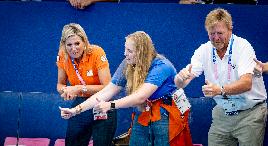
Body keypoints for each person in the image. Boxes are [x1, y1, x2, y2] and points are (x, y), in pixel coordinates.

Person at [60, 31, 193, 146]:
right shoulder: (128, 63)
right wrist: (75, 110)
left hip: (167, 112)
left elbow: (140, 97)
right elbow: (107, 91)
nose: (125, 54)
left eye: (129, 51)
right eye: (125, 49)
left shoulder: (161, 66)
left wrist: (110, 105)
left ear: (141, 52)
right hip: (144, 110)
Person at [174, 8, 267, 146]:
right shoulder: (203, 50)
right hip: (223, 114)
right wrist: (180, 78)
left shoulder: (243, 47)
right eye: (212, 34)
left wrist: (220, 90)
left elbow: (247, 83)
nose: (216, 38)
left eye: (220, 33)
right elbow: (182, 83)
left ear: (230, 30)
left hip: (250, 113)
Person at [56, 23, 117, 146]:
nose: (73, 48)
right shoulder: (62, 56)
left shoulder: (96, 52)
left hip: (103, 102)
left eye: (77, 43)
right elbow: (60, 84)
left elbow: (107, 87)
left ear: (84, 42)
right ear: (64, 45)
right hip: (81, 103)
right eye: (69, 45)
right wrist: (65, 90)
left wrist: (78, 89)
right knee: (72, 142)